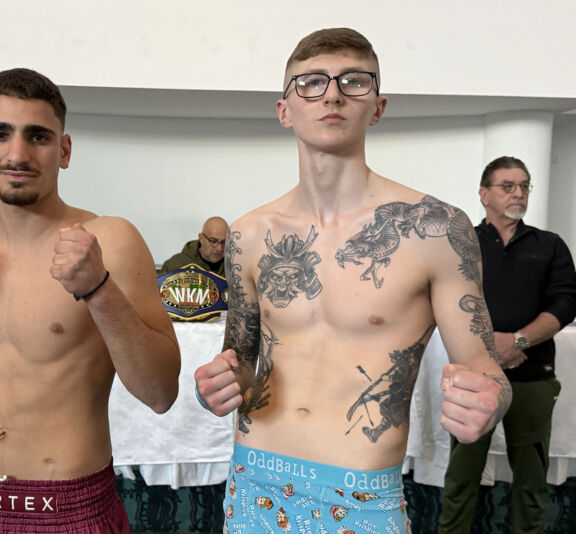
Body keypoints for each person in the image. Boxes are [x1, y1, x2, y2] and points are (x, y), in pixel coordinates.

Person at [193, 28, 511, 534]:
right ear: (284, 109)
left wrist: (492, 398)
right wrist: (217, 385)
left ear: (378, 107)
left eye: (354, 81)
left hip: (363, 493)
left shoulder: (435, 230)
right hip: (254, 481)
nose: (333, 93)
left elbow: (486, 371)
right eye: (311, 83)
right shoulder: (249, 234)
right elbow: (242, 364)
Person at [0, 68, 179, 533]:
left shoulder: (111, 239)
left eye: (38, 136)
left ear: (63, 151)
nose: (17, 154)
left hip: (69, 507)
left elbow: (160, 393)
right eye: (1, 134)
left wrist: (98, 288)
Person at [440, 156, 576, 533]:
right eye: (508, 186)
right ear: (484, 194)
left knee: (531, 480)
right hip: (472, 377)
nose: (518, 193)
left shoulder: (549, 246)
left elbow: (566, 303)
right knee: (461, 479)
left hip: (531, 376)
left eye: (524, 186)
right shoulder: (460, 246)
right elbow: (441, 299)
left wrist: (518, 341)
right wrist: (486, 348)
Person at [159, 216, 228, 275]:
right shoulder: (175, 266)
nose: (219, 248)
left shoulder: (234, 266)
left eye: (224, 242)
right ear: (201, 238)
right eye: (213, 241)